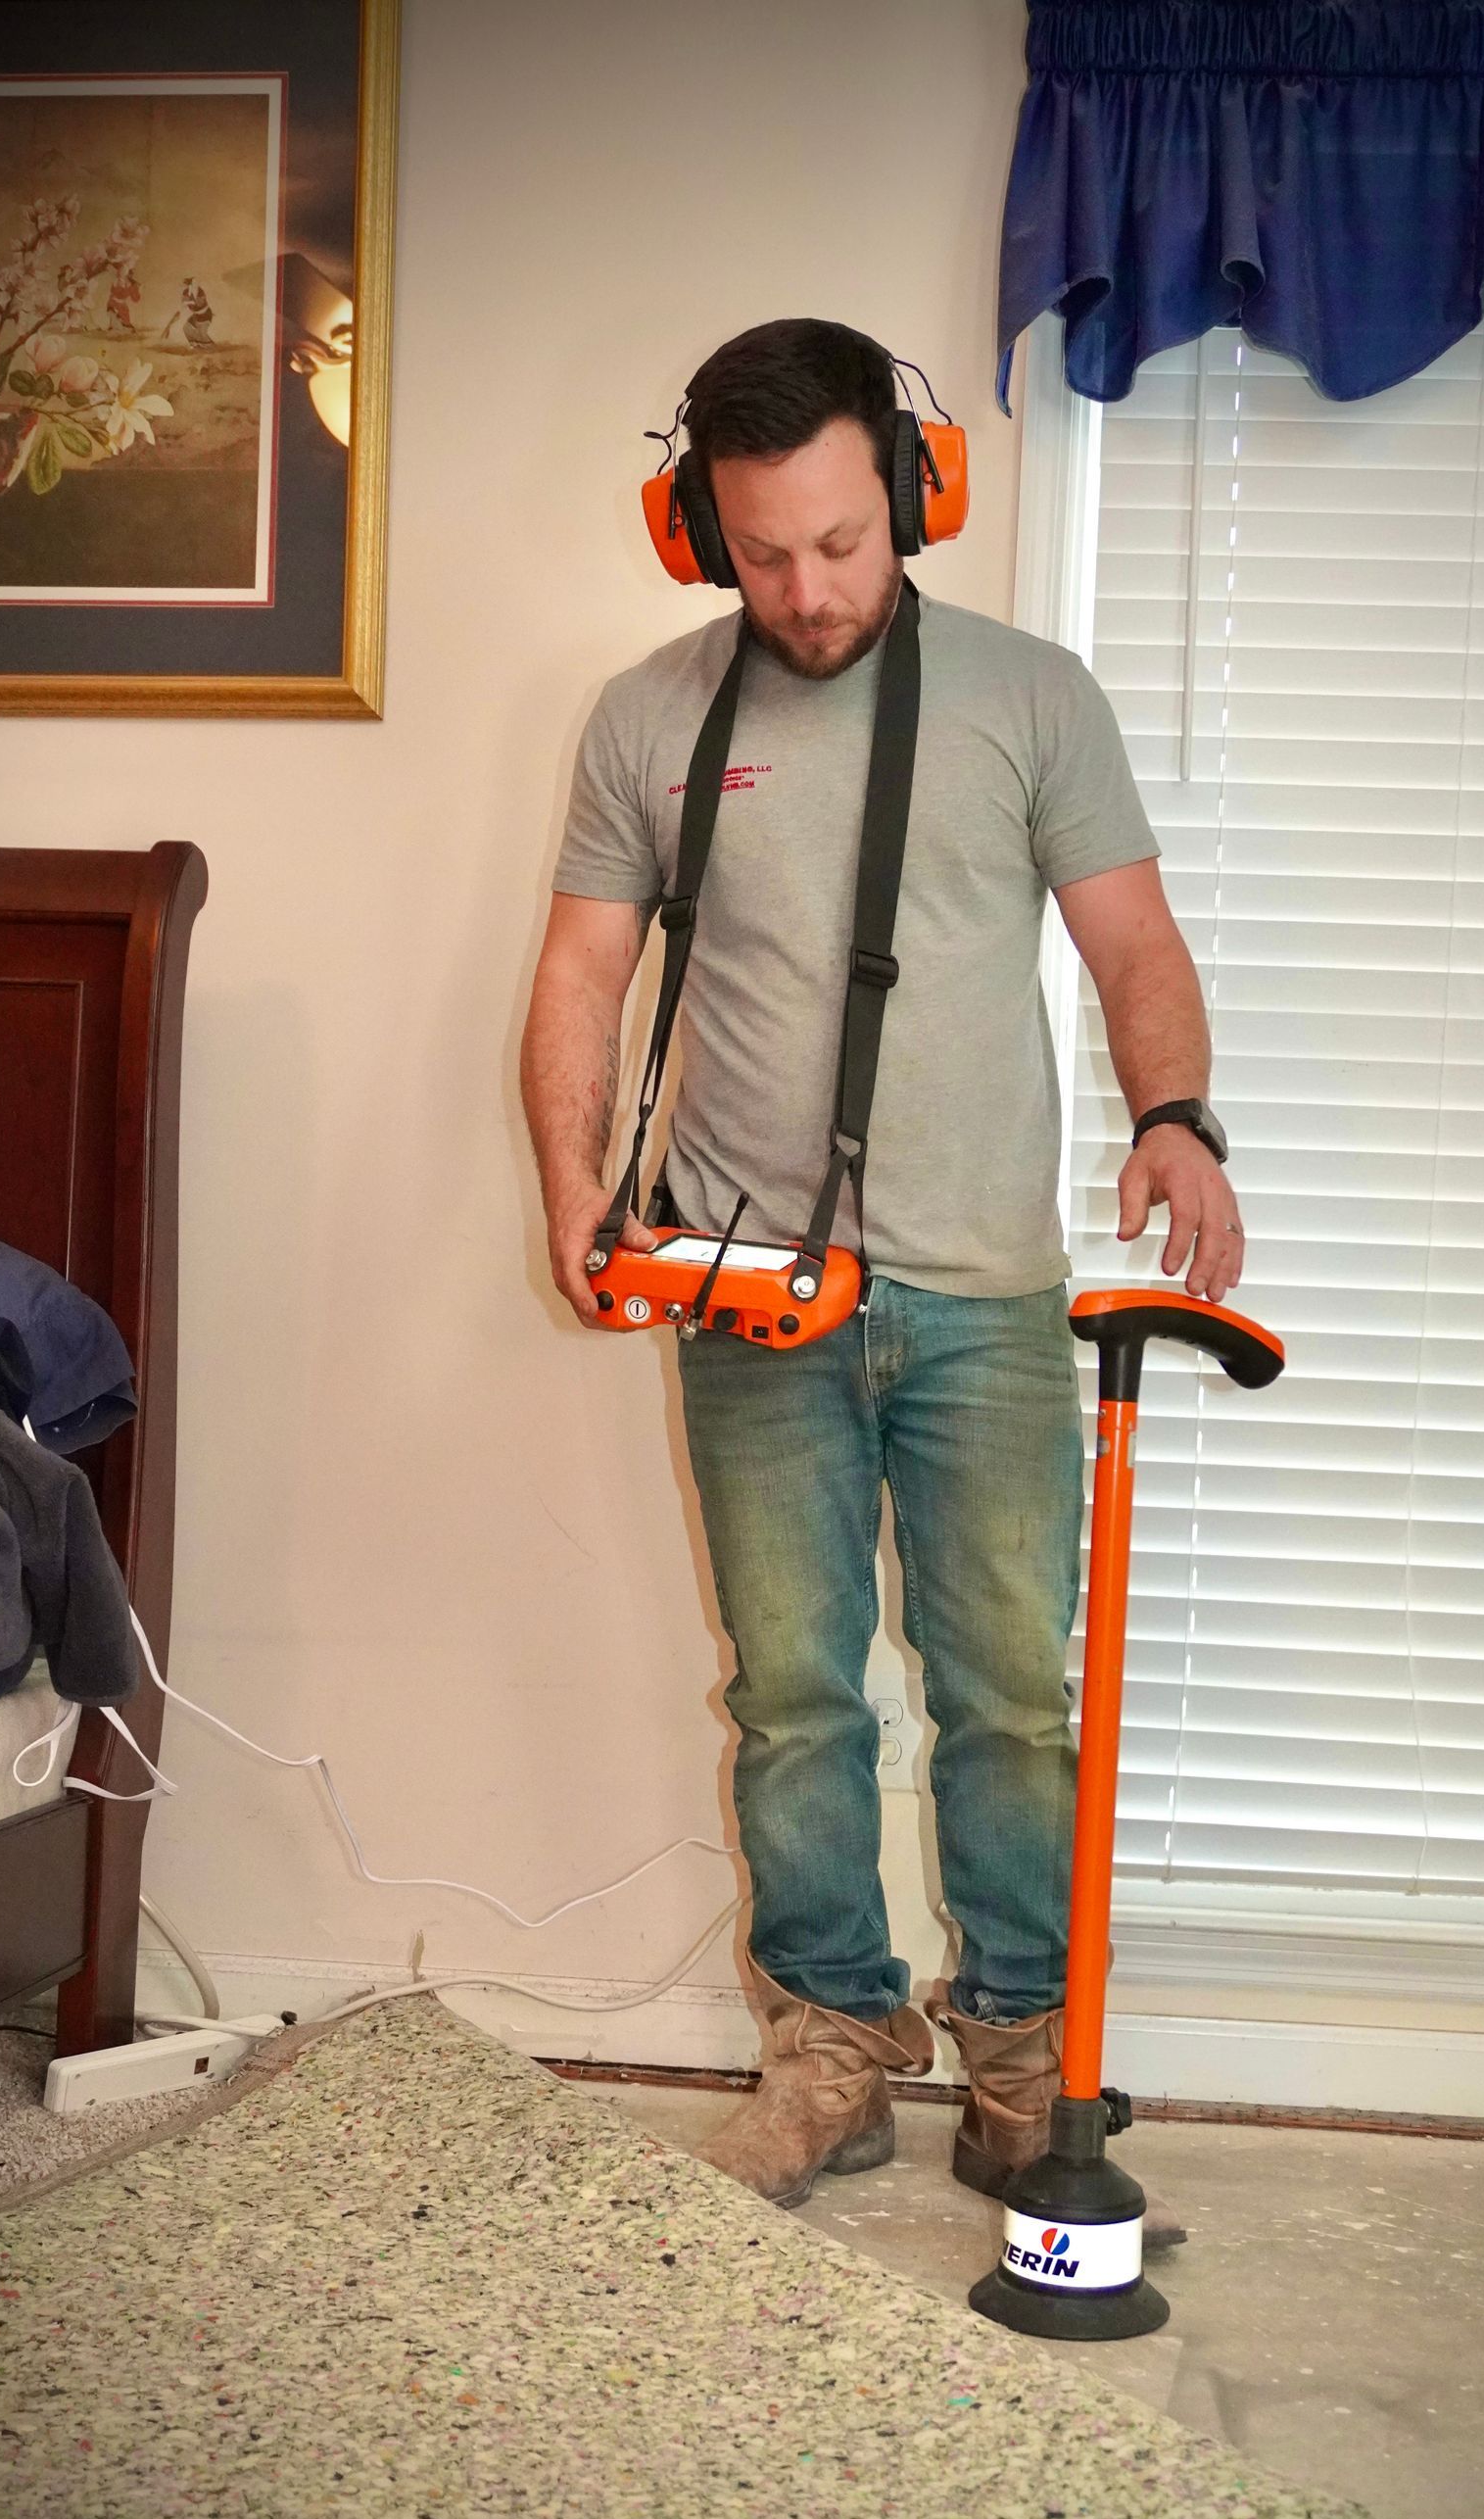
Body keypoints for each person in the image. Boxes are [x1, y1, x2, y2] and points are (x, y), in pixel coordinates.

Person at [521, 320, 1242, 2245]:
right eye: (764, 552)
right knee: (792, 1698)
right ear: (702, 533)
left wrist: (1180, 1114)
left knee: (1010, 1695)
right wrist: (572, 1192)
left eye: (840, 542)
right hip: (754, 1298)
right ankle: (829, 2050)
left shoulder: (1031, 698)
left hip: (989, 1299)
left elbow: (1135, 943)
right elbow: (583, 978)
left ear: (912, 498)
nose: (809, 589)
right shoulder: (645, 717)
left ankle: (1018, 2062)